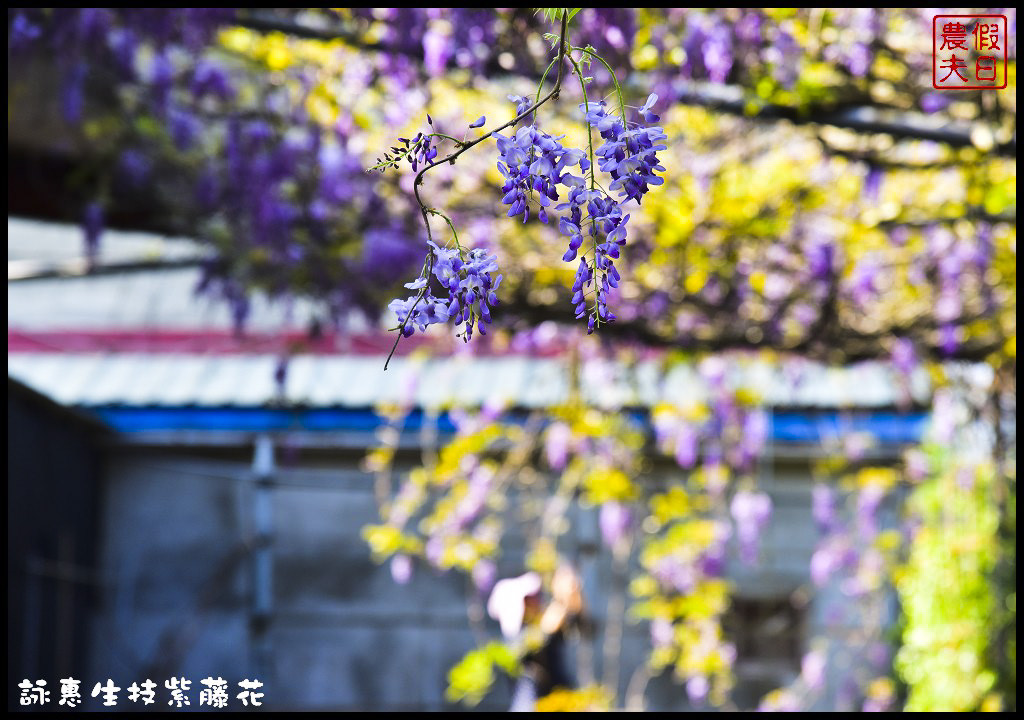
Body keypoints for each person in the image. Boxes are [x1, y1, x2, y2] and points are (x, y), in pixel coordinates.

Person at [487, 564, 584, 712]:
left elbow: (577, 617)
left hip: (556, 699)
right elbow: (541, 635)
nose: (536, 600)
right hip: (532, 702)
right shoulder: (518, 639)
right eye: (529, 598)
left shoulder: (543, 620)